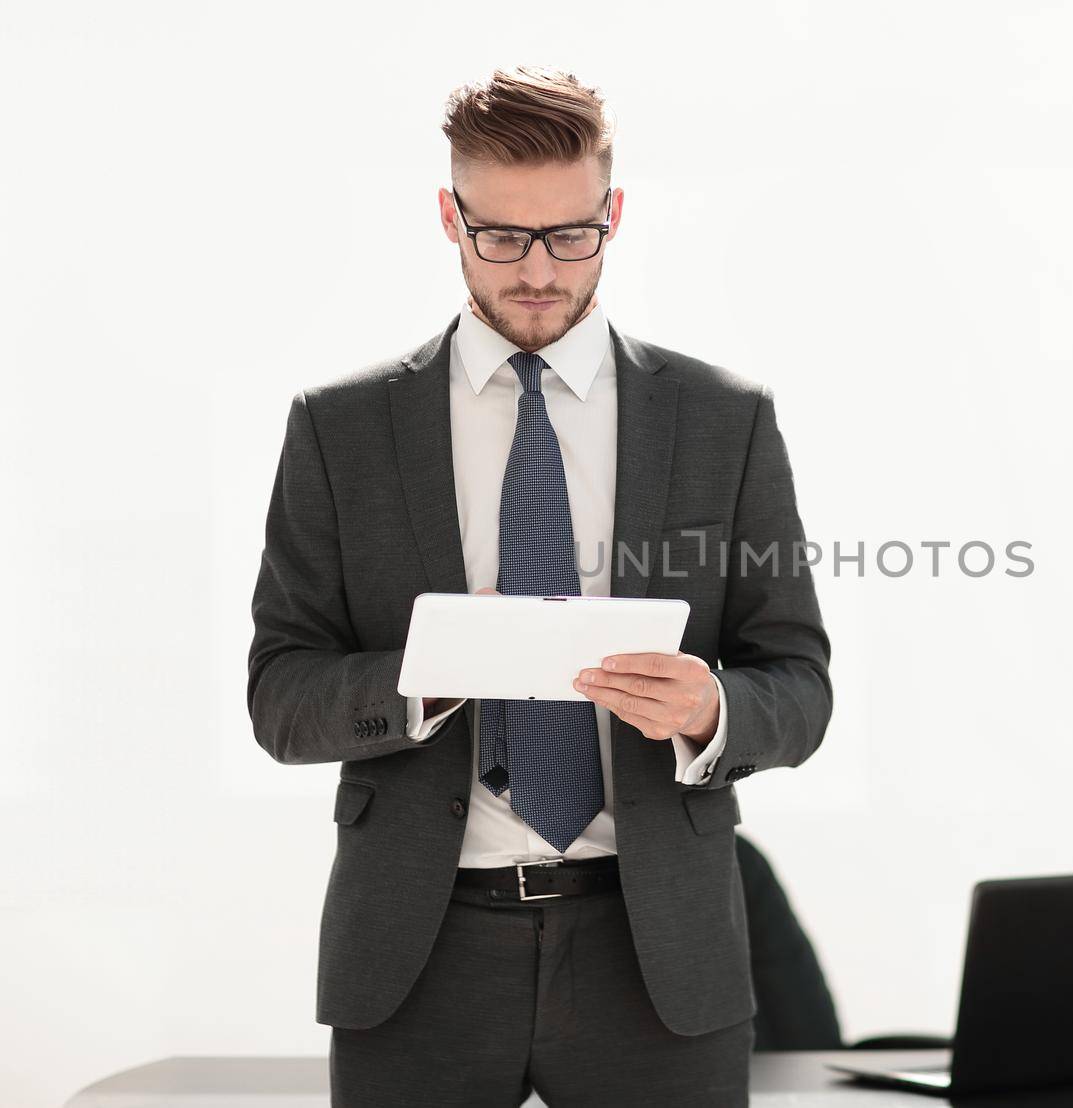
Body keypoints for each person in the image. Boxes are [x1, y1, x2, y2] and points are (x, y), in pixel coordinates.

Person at [245, 64, 832, 1107]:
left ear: (612, 215)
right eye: (501, 236)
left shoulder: (719, 420)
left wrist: (712, 707)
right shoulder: (340, 431)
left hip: (655, 953)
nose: (536, 270)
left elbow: (797, 681)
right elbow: (280, 696)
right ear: (448, 215)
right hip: (419, 954)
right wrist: (423, 681)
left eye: (569, 235)